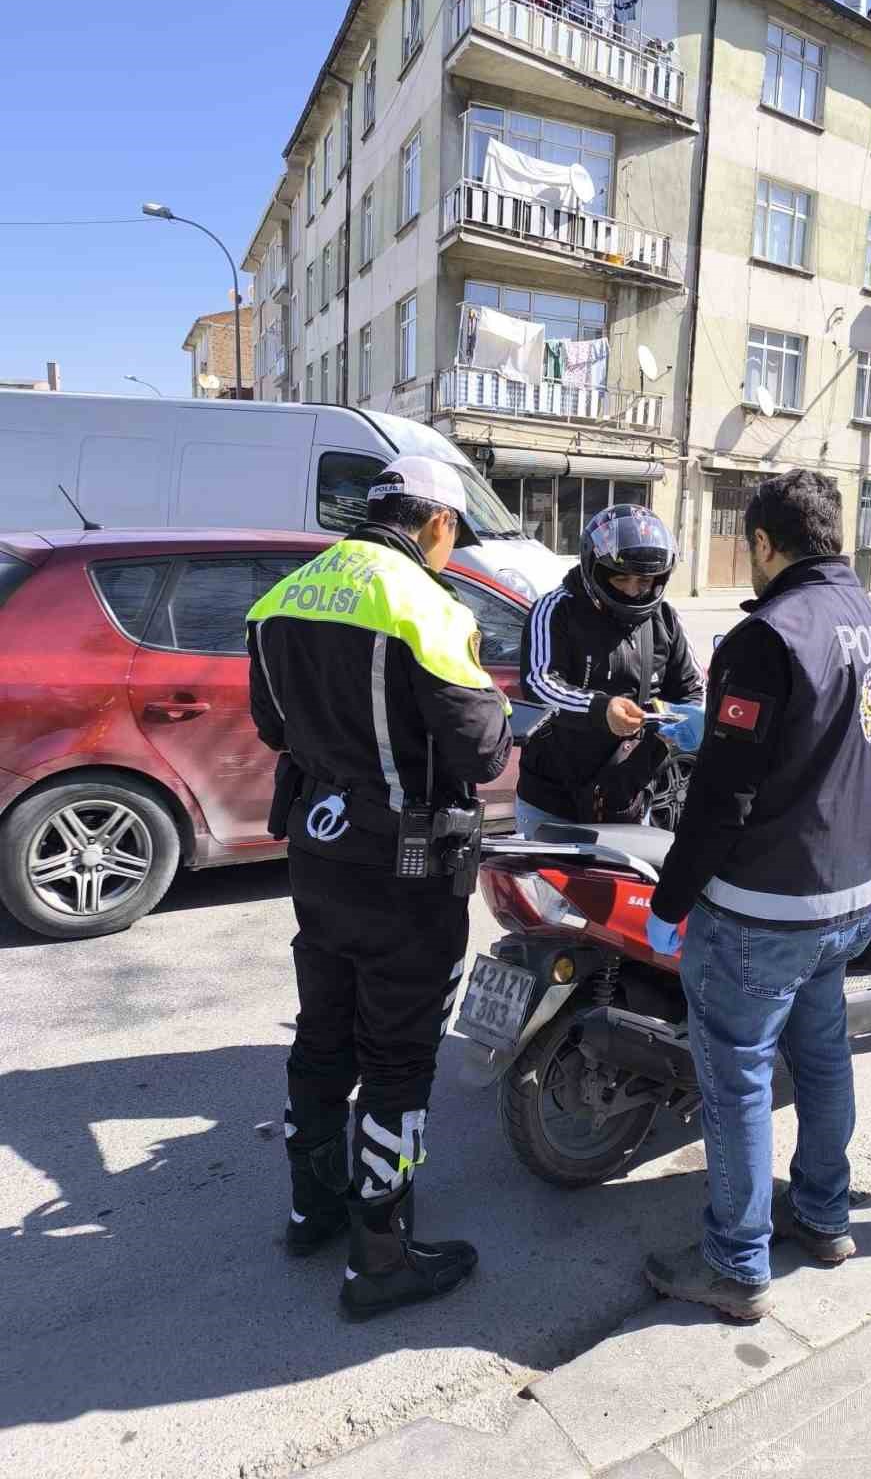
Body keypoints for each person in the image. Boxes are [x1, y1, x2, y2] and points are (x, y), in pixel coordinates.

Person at [640, 469, 871, 1321]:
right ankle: (826, 1216)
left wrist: (671, 899)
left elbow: (724, 796)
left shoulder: (768, 635)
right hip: (847, 897)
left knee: (739, 1077)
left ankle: (736, 1262)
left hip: (764, 905)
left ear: (765, 544)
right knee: (823, 1056)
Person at [246, 456, 512, 1316]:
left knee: (323, 1034)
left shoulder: (284, 596)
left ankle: (309, 1211)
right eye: (455, 532)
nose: (453, 546)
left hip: (317, 855)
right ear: (435, 521)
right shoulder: (422, 603)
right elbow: (480, 753)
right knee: (399, 1061)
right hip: (406, 869)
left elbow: (270, 725)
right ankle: (380, 1259)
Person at [516, 504, 705, 834]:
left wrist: (677, 721)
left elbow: (692, 689)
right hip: (552, 800)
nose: (633, 589)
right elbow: (540, 682)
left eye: (645, 580)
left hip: (628, 798)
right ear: (595, 568)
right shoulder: (556, 609)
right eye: (621, 578)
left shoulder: (667, 619)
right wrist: (601, 710)